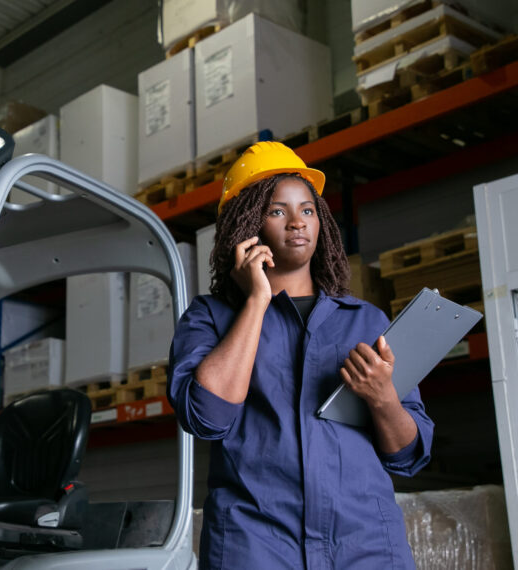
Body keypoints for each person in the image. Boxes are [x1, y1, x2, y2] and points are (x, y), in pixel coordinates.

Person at [168, 141, 433, 569]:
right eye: (277, 211)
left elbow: (408, 456)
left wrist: (382, 397)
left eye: (307, 210)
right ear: (247, 224)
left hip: (365, 546)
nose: (297, 222)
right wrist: (256, 300)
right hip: (256, 545)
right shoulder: (211, 318)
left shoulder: (366, 322)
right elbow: (206, 417)